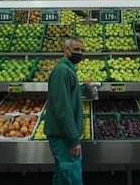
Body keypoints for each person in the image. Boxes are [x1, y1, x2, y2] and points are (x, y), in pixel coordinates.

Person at [44, 36, 92, 185]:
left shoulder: (67, 70)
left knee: (62, 175)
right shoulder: (61, 72)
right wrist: (73, 140)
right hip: (64, 137)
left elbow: (69, 92)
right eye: (76, 49)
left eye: (82, 50)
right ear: (66, 50)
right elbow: (63, 108)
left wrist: (83, 88)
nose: (79, 53)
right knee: (72, 177)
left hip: (63, 135)